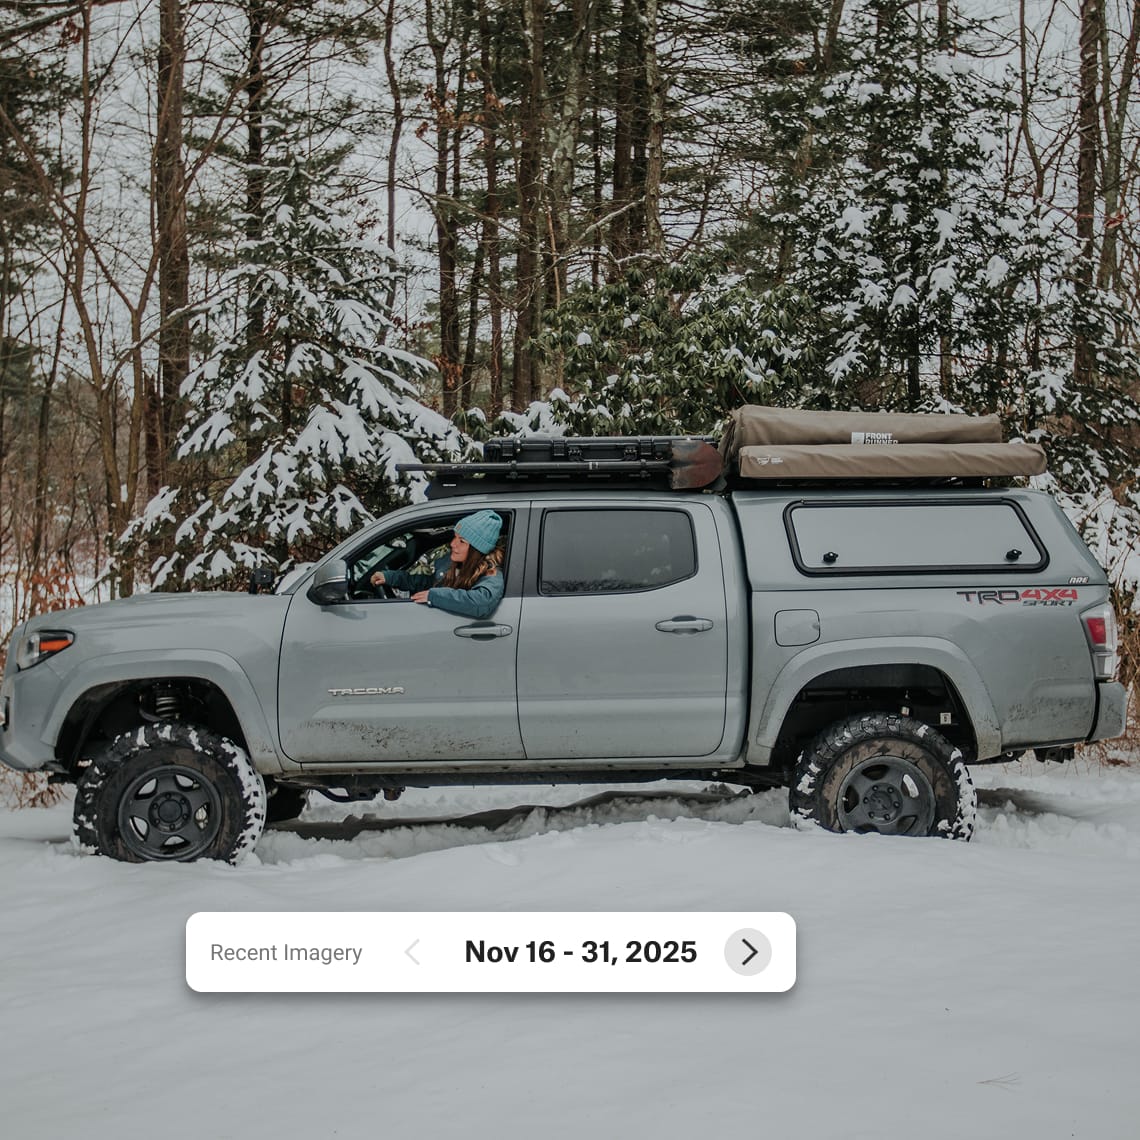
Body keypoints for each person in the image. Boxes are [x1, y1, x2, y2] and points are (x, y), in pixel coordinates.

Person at [371, 510, 505, 619]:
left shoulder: (491, 574)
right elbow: (427, 583)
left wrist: (435, 596)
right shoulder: (455, 565)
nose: (453, 544)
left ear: (477, 550)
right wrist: (390, 577)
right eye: (455, 537)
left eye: (462, 541)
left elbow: (481, 603)